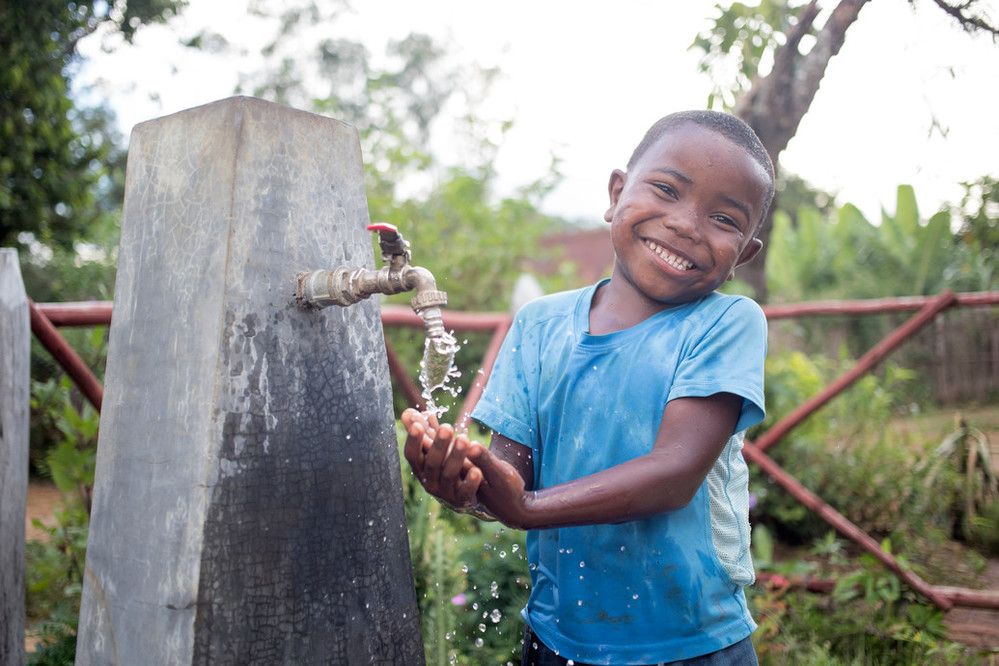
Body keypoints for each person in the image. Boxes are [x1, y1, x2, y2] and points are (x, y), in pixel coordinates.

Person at [402, 109, 773, 665]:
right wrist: (464, 481)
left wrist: (525, 507)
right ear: (617, 193)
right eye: (667, 189)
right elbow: (509, 478)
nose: (687, 225)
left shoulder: (727, 323)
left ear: (743, 253)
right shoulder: (540, 325)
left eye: (723, 219)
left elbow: (673, 474)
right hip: (556, 638)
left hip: (692, 645)